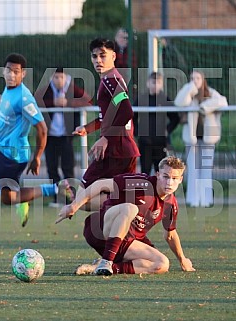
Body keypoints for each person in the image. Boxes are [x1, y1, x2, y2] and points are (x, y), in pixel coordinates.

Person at [0, 53, 66, 246]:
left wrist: (38, 157)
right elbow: (3, 101)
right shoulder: (10, 91)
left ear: (23, 74)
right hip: (11, 155)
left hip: (9, 155)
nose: (11, 75)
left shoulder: (25, 98)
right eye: (9, 70)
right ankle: (55, 188)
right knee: (8, 198)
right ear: (3, 71)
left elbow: (42, 128)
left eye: (16, 72)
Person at [56, 156, 196, 276]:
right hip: (100, 229)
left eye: (174, 178)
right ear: (158, 174)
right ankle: (106, 262)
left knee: (162, 264)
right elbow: (100, 184)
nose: (169, 182)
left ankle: (103, 268)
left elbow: (170, 235)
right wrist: (73, 206)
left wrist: (183, 259)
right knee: (130, 208)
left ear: (180, 179)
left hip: (126, 243)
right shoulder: (142, 183)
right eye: (165, 177)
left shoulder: (171, 204)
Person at [72, 38, 140, 210]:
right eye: (94, 56)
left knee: (81, 199)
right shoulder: (112, 79)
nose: (98, 60)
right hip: (124, 150)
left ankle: (130, 208)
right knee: (120, 197)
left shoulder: (111, 80)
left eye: (103, 55)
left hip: (115, 151)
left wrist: (105, 138)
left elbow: (126, 112)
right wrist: (87, 129)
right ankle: (126, 216)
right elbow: (110, 115)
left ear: (114, 56)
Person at [34, 67, 92, 205]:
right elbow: (35, 100)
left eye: (61, 77)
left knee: (68, 168)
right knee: (51, 168)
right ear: (51, 78)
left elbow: (88, 101)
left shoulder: (72, 89)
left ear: (66, 77)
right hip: (50, 136)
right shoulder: (46, 90)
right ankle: (57, 198)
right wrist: (53, 103)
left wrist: (68, 103)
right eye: (55, 77)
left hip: (66, 136)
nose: (58, 80)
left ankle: (71, 199)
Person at [174, 70, 228, 207]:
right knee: (192, 169)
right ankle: (193, 200)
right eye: (192, 78)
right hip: (192, 138)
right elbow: (179, 102)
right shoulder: (188, 93)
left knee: (206, 169)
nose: (195, 80)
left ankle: (206, 200)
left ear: (203, 79)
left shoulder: (211, 93)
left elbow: (223, 101)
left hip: (208, 137)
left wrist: (205, 107)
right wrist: (189, 89)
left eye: (198, 78)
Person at [133, 71, 180, 174]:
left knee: (160, 172)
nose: (155, 85)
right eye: (153, 82)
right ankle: (145, 190)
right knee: (145, 172)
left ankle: (158, 190)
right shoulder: (141, 98)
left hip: (160, 142)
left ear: (161, 84)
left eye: (158, 83)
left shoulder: (164, 99)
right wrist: (137, 132)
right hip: (145, 142)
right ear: (148, 83)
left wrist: (167, 130)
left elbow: (175, 118)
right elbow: (132, 117)